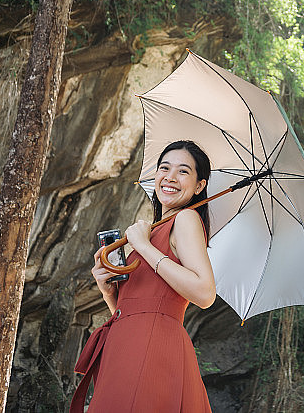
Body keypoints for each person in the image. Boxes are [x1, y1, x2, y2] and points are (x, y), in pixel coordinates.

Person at [71, 140, 216, 412]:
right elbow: (137, 309)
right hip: (124, 343)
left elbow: (205, 293)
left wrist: (145, 247)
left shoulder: (185, 219)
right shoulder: (153, 230)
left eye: (183, 171)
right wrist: (108, 291)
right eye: (164, 168)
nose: (170, 177)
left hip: (151, 347)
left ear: (199, 186)